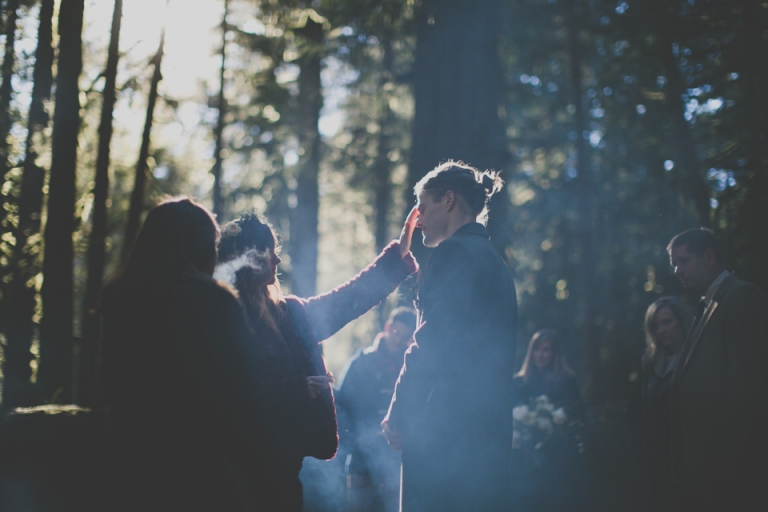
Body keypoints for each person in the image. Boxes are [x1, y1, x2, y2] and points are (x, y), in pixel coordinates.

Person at [214, 209, 418, 512]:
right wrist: (298, 389)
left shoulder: (288, 315)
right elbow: (229, 395)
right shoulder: (221, 317)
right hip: (237, 477)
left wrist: (394, 261)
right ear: (250, 256)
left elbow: (343, 302)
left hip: (283, 475)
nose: (277, 260)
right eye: (270, 251)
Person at [98, 198, 266, 511]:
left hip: (127, 467)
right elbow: (246, 397)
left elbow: (107, 384)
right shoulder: (215, 303)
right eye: (213, 242)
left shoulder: (119, 300)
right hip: (197, 470)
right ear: (200, 245)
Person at [382, 160, 518, 512]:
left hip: (445, 441)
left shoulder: (453, 253)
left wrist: (399, 413)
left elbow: (431, 342)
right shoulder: (493, 259)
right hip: (486, 438)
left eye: (422, 206)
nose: (418, 218)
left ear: (449, 200)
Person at [667, 227, 768, 511]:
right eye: (674, 263)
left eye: (684, 261)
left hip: (729, 469)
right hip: (704, 469)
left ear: (710, 257)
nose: (677, 270)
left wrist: (723, 463)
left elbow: (747, 389)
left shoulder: (741, 296)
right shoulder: (707, 304)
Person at [336, 307, 417, 512]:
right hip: (360, 461)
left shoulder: (410, 369)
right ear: (388, 327)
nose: (398, 340)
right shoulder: (361, 362)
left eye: (405, 337)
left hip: (395, 462)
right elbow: (342, 408)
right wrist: (350, 443)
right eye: (397, 333)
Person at [627, 297, 693, 512]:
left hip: (685, 459)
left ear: (680, 321)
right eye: (656, 325)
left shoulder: (695, 358)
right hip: (653, 461)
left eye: (667, 322)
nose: (662, 330)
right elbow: (636, 411)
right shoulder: (650, 363)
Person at [510, 329, 583, 511]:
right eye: (537, 349)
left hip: (557, 458)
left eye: (546, 350)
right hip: (524, 460)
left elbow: (576, 416)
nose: (540, 355)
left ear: (554, 353)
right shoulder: (519, 382)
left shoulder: (567, 381)